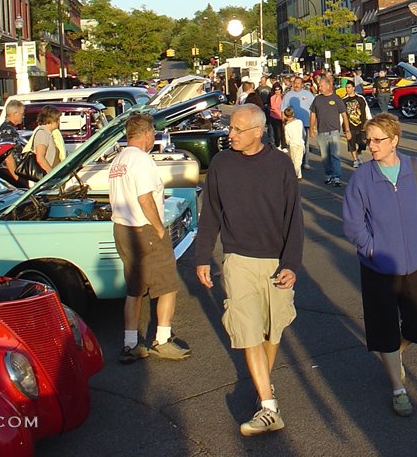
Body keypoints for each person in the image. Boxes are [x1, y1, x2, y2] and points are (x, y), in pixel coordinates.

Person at [195, 104, 304, 437]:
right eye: (231, 128)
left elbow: (294, 219)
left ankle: (262, 391)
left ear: (258, 131)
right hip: (238, 259)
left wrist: (291, 264)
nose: (231, 135)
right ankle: (270, 406)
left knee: (273, 331)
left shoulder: (280, 164)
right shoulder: (221, 164)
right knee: (248, 331)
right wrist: (202, 256)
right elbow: (211, 212)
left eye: (237, 130)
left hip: (275, 261)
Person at [342, 113, 417, 417]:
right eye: (367, 140)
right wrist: (371, 248)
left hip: (416, 261)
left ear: (394, 140)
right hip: (379, 266)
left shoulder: (415, 167)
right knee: (383, 326)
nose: (370, 146)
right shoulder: (362, 177)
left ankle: (394, 354)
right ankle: (398, 388)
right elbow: (352, 222)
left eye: (377, 140)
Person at [110, 113, 192, 363]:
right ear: (146, 134)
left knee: (134, 288)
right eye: (152, 133)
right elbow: (145, 198)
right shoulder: (142, 161)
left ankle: (130, 343)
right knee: (167, 284)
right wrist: (159, 227)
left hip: (122, 227)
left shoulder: (119, 159)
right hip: (143, 228)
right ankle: (163, 339)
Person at [309, 76, 351, 186]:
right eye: (319, 85)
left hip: (334, 131)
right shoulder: (317, 99)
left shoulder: (336, 98)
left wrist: (347, 130)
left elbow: (344, 114)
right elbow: (313, 114)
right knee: (324, 156)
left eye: (321, 86)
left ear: (328, 86)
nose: (319, 87)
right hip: (321, 131)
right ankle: (329, 174)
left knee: (335, 155)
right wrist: (311, 128)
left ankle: (336, 177)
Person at [281, 76, 315, 170]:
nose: (296, 85)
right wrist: (283, 123)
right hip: (292, 124)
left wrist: (314, 123)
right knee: (294, 144)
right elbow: (283, 109)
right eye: (295, 83)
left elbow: (314, 109)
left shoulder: (308, 94)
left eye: (298, 83)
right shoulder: (288, 95)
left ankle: (305, 162)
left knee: (305, 144)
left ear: (302, 84)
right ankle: (295, 163)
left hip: (305, 123)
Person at [0, 99, 26, 185]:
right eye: (22, 114)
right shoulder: (7, 130)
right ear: (15, 113)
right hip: (8, 173)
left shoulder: (10, 128)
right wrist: (16, 178)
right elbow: (8, 156)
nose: (23, 117)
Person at [343, 81, 371, 168]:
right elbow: (342, 114)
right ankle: (355, 159)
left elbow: (366, 110)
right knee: (351, 143)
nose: (347, 89)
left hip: (361, 125)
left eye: (349, 87)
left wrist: (369, 121)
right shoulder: (344, 100)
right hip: (349, 125)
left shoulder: (360, 98)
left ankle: (359, 152)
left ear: (353, 88)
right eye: (346, 87)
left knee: (362, 143)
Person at [283, 106, 304, 179]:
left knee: (294, 160)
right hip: (300, 143)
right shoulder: (299, 122)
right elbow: (303, 132)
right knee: (299, 159)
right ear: (293, 114)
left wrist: (288, 143)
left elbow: (287, 138)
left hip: (293, 144)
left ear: (285, 116)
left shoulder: (287, 126)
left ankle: (296, 174)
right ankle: (299, 174)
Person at [268, 83, 285, 148]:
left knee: (282, 132)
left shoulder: (283, 97)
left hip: (281, 116)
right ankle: (277, 144)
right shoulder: (272, 97)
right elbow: (273, 106)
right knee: (276, 132)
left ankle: (283, 145)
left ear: (281, 90)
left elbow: (282, 107)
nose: (277, 91)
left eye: (278, 90)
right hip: (273, 116)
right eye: (276, 90)